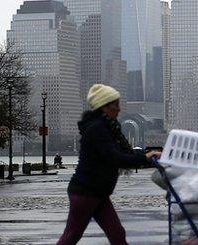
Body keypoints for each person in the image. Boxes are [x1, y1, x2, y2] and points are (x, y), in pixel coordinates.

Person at [57, 84, 160, 245]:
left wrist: (148, 154)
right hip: (85, 193)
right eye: (116, 104)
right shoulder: (97, 129)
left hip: (98, 193)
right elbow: (115, 157)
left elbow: (125, 152)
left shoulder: (108, 127)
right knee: (71, 236)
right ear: (104, 107)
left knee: (117, 234)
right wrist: (145, 158)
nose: (119, 109)